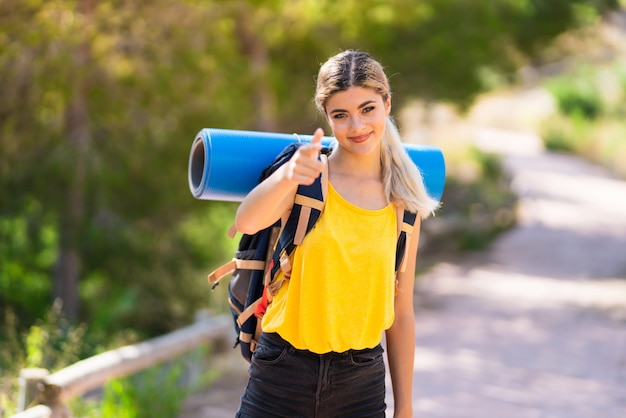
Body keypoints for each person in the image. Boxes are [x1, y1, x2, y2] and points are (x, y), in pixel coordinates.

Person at [234, 50, 440, 418]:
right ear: (327, 117)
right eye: (340, 115)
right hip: (282, 372)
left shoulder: (404, 201)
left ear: (387, 103)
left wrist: (405, 406)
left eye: (367, 109)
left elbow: (402, 313)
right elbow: (246, 223)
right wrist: (287, 176)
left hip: (361, 383)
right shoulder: (308, 178)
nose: (356, 126)